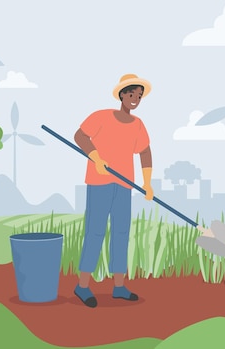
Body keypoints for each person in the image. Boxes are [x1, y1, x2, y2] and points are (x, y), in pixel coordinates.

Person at [73, 74, 154, 308]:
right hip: (100, 182)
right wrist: (96, 157)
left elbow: (145, 152)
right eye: (131, 94)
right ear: (121, 95)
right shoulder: (102, 117)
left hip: (125, 184)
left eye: (139, 96)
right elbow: (80, 136)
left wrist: (147, 182)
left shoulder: (138, 124)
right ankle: (83, 285)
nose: (135, 99)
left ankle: (119, 286)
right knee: (95, 232)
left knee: (121, 233)